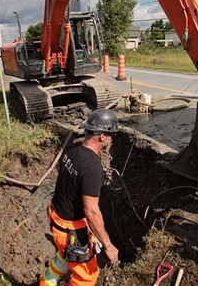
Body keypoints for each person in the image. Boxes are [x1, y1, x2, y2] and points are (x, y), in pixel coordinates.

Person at [39, 109, 120, 286]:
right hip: (69, 230)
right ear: (102, 137)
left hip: (55, 217)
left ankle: (46, 283)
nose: (112, 139)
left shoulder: (73, 151)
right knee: (87, 276)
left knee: (65, 255)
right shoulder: (92, 167)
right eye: (111, 135)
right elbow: (91, 211)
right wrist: (108, 246)